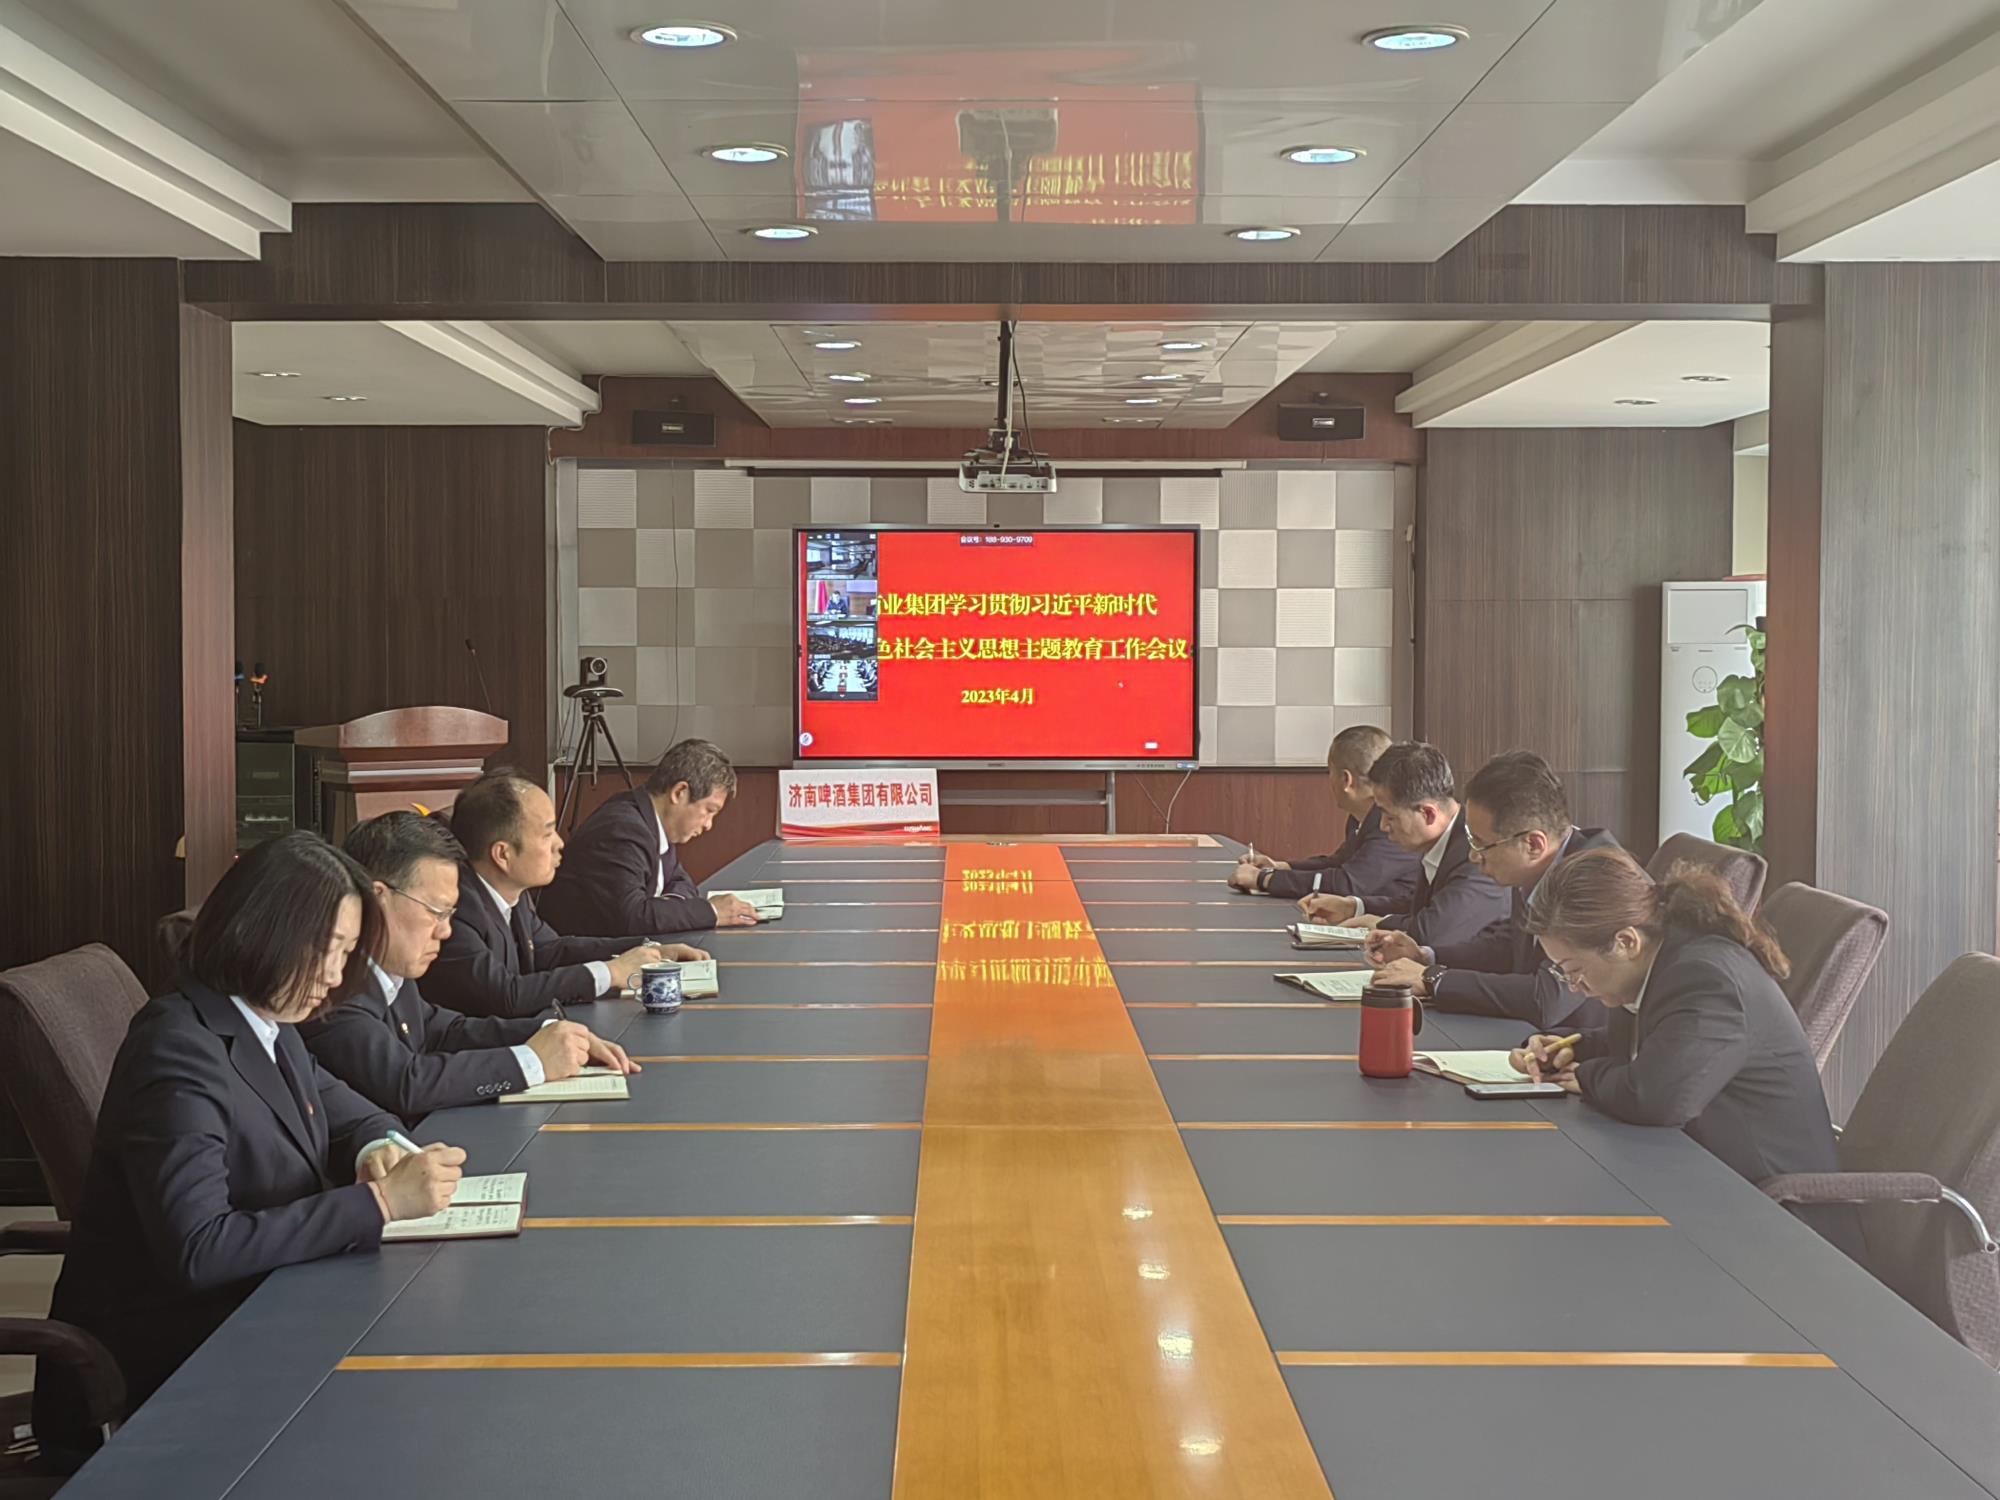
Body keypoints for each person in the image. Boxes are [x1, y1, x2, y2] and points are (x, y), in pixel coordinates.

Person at [37, 833, 466, 1448]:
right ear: (262, 931)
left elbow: (355, 1116)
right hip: (172, 1368)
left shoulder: (269, 1020)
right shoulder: (179, 1049)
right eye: (326, 950)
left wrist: (379, 1149)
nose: (334, 975)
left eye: (347, 952)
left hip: (263, 1314)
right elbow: (199, 1249)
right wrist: (378, 1203)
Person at [1511, 848, 1858, 1253]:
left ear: (1626, 942)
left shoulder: (1706, 976)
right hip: (1705, 1181)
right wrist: (1572, 1048)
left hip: (1775, 1221)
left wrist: (1585, 1076)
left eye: (1574, 970)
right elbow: (1662, 1045)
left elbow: (1657, 1097)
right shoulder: (1664, 961)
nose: (1575, 987)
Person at [302, 812, 640, 1123]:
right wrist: (532, 1061)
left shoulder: (391, 969)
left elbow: (445, 1031)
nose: (445, 931)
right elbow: (407, 1082)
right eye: (436, 912)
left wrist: (549, 1032)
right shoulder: (332, 985)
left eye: (449, 915)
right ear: (379, 898)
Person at [423, 770, 707, 1020]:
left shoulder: (512, 892)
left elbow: (552, 950)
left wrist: (648, 950)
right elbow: (505, 995)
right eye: (547, 834)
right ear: (503, 855)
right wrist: (611, 973)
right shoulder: (456, 909)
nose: (560, 844)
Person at [1367, 750, 1617, 1029]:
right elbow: (1506, 948)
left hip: (1582, 1044)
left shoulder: (1597, 882)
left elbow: (1547, 998)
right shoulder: (1540, 866)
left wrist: (1433, 979)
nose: (1473, 856)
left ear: (1533, 844)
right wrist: (1426, 957)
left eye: (1482, 844)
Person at [1296, 741, 1510, 951]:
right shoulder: (1443, 840)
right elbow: (1417, 907)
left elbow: (1432, 932)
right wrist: (1354, 907)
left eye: (1390, 817)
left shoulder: (1476, 852)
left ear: (1428, 814)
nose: (1383, 826)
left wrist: (1379, 923)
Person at [539, 738, 758, 936]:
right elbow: (632, 916)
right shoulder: (623, 829)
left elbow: (682, 882)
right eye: (709, 810)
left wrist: (664, 908)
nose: (709, 825)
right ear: (679, 793)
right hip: (579, 958)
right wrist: (711, 911)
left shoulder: (654, 822)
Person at [1227, 724, 1422, 905]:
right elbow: (1338, 863)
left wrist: (1264, 879)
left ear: (1346, 780)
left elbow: (1347, 884)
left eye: (1330, 772)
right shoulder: (1361, 817)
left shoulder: (1392, 822)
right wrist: (1281, 867)